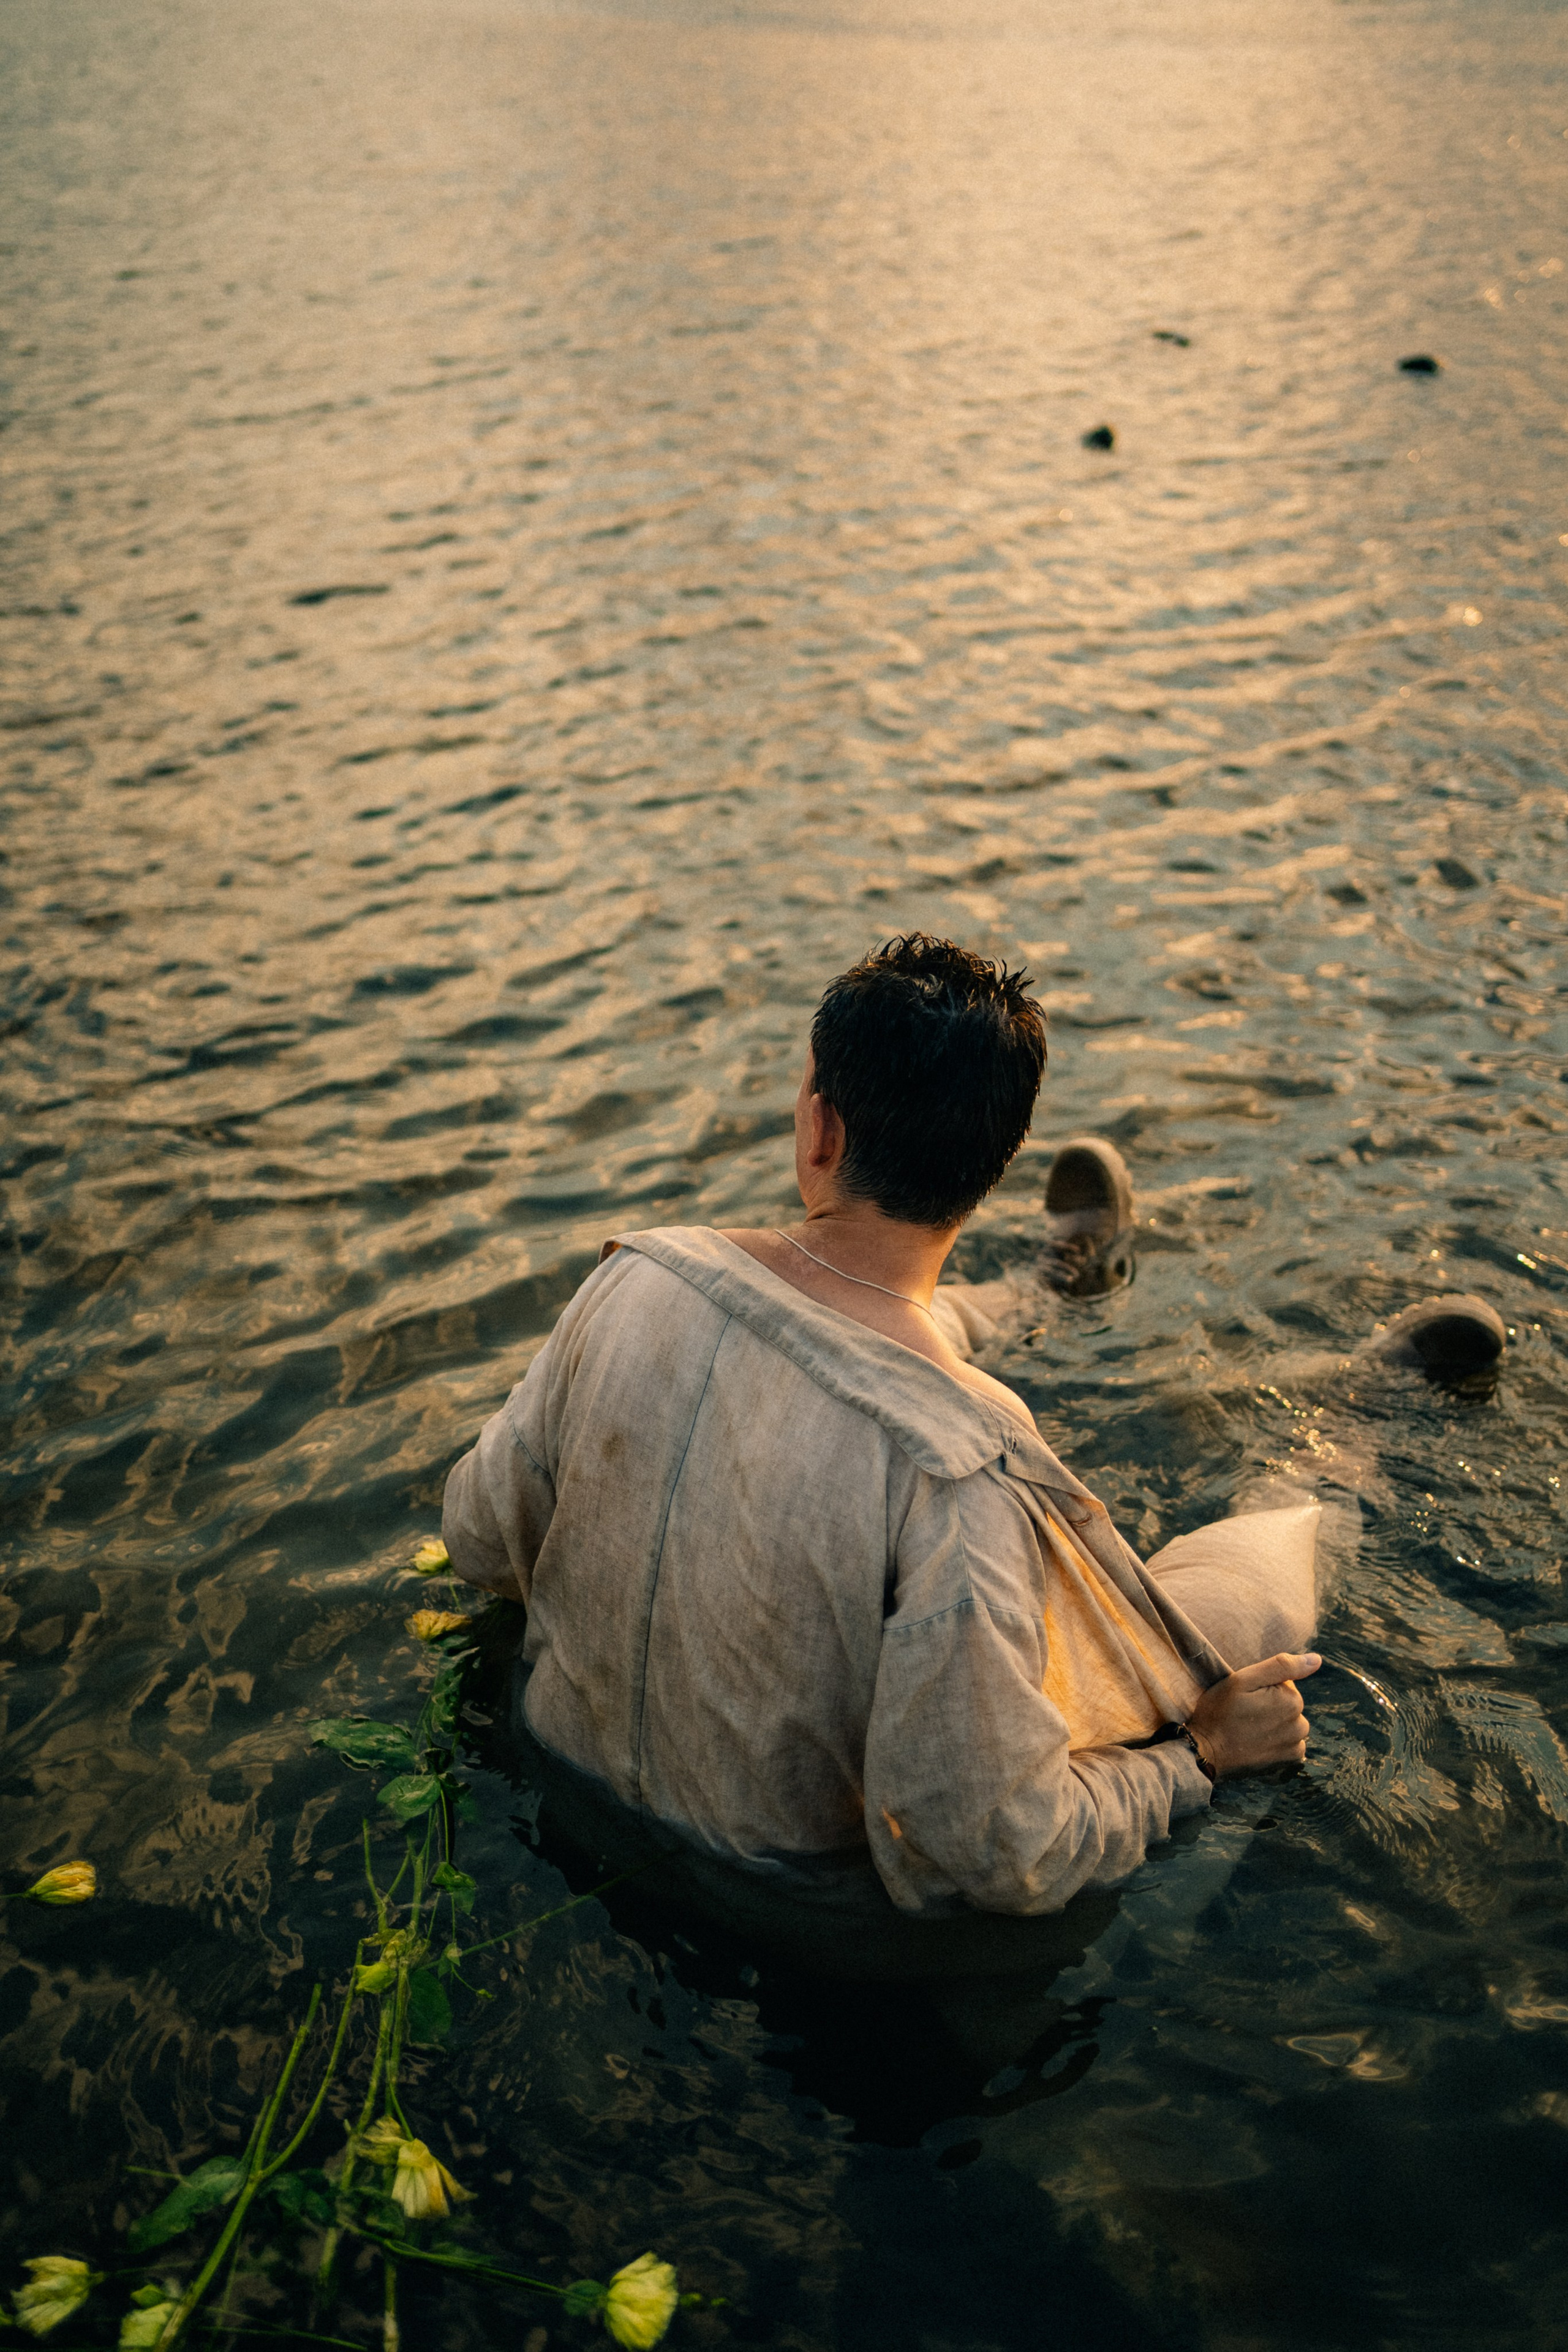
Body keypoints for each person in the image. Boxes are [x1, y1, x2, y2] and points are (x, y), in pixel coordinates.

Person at [440, 935, 1504, 1919]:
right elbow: (991, 1851)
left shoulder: (634, 1280)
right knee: (1241, 1589)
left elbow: (482, 1540)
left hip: (564, 1813)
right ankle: (1342, 1436)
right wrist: (1203, 1759)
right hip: (791, 1921)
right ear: (989, 1165)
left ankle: (1052, 1287)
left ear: (819, 1125)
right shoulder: (961, 1464)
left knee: (864, 1319)